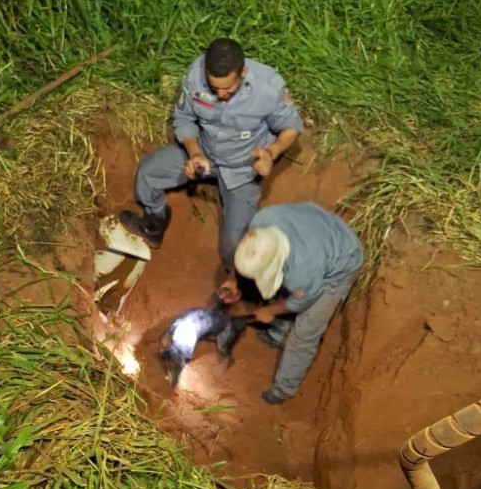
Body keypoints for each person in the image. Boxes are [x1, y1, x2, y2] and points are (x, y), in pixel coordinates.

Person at [119, 37, 304, 271]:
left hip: (242, 168)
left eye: (228, 89)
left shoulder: (267, 87)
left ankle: (234, 281)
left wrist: (271, 152)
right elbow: (184, 118)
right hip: (205, 154)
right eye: (214, 88)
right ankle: (154, 223)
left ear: (243, 72)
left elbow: (291, 127)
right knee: (148, 173)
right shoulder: (195, 75)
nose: (221, 94)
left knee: (236, 249)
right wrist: (194, 152)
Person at [222, 202, 362, 405]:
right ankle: (278, 336)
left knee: (305, 332)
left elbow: (302, 301)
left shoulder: (303, 270)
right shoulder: (261, 222)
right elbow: (246, 247)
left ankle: (283, 389)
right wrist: (233, 280)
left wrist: (270, 311)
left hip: (342, 261)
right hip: (318, 228)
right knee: (281, 290)